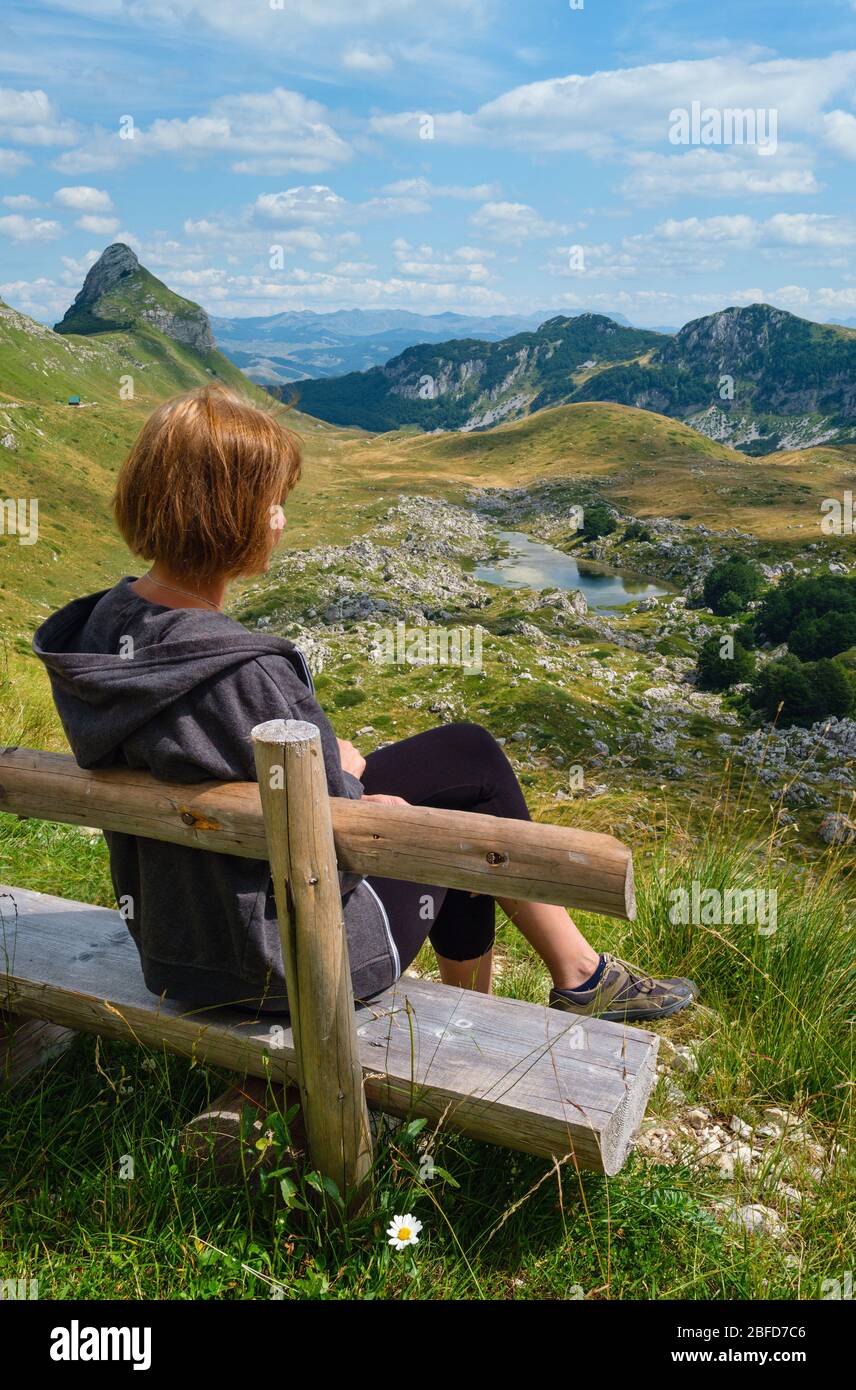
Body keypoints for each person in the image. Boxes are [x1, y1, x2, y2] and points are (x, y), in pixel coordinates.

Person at [34, 385, 697, 1026]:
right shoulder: (242, 673)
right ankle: (530, 996)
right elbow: (324, 834)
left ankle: (569, 976)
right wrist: (350, 781)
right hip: (287, 958)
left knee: (465, 753)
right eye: (271, 502)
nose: (281, 519)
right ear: (225, 514)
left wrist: (341, 781)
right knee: (455, 810)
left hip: (177, 943)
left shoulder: (103, 632)